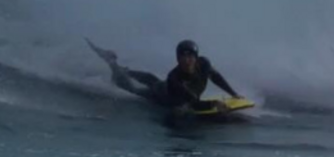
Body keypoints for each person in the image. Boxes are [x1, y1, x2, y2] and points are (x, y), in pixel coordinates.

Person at [95, 39, 241, 112]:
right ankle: (112, 62)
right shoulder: (175, 78)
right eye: (182, 56)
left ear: (196, 57)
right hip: (160, 95)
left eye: (190, 56)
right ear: (177, 58)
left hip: (163, 86)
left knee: (150, 78)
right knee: (133, 88)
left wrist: (233, 93)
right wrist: (214, 104)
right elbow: (192, 103)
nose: (186, 60)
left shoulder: (204, 64)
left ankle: (123, 69)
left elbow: (216, 77)